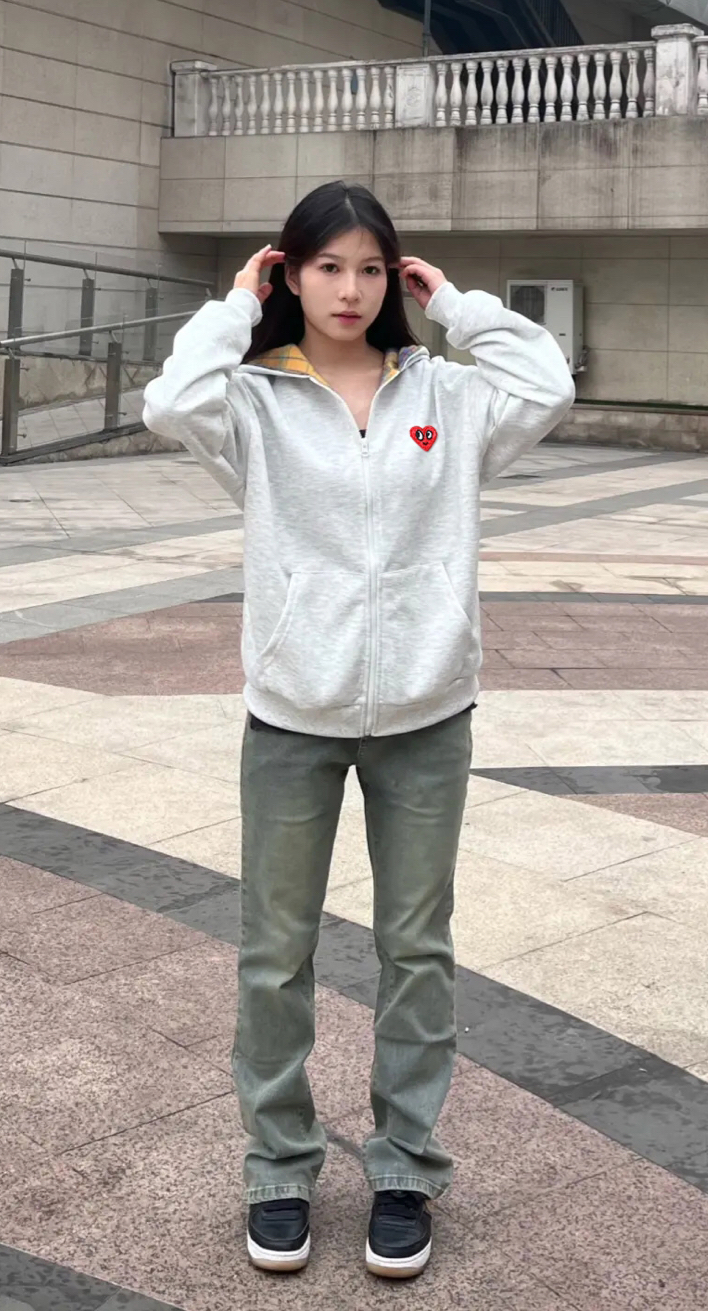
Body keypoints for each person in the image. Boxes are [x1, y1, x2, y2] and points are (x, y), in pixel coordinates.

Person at [142, 181, 574, 1280]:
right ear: (289, 273)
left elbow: (548, 382)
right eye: (326, 266)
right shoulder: (250, 400)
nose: (350, 288)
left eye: (370, 268)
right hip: (293, 712)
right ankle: (278, 1170)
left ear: (395, 278)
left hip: (426, 713)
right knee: (274, 953)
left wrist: (459, 307)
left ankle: (404, 1169)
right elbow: (167, 402)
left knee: (415, 950)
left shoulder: (446, 394)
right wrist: (235, 306)